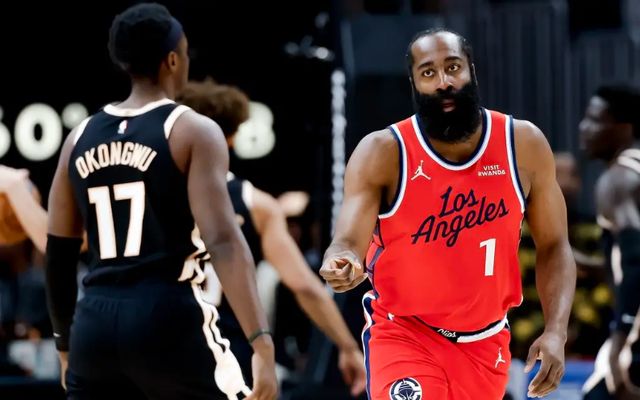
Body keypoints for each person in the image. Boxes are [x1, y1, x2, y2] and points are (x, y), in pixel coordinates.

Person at [320, 28, 576, 399]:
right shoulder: (383, 152)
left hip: (486, 344)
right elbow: (346, 241)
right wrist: (341, 260)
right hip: (405, 334)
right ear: (414, 83)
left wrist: (556, 331)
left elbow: (554, 245)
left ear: (472, 70)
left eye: (453, 67)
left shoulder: (523, 144)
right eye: (428, 72)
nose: (443, 82)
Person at [44, 3, 277, 400]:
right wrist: (262, 343)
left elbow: (58, 254)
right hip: (167, 317)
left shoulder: (77, 137)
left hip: (94, 326)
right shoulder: (192, 130)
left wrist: (65, 345)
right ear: (172, 60)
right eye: (185, 52)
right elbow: (223, 240)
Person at [177, 79, 366, 396]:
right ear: (232, 137)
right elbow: (304, 285)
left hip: (159, 346)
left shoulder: (151, 191)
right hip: (227, 353)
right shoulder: (255, 203)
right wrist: (347, 346)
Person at [580, 84, 640, 400]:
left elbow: (635, 260)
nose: (584, 128)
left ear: (623, 128)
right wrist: (587, 265)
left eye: (595, 120)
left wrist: (621, 336)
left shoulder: (617, 181)